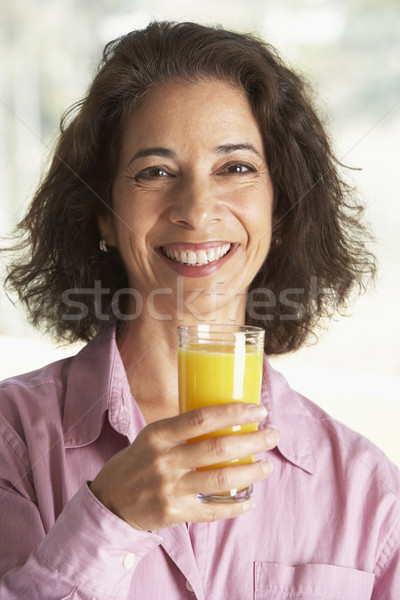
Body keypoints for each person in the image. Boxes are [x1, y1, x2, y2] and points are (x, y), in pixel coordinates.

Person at [0, 20, 399, 600]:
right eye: (155, 172)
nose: (196, 209)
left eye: (235, 168)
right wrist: (108, 519)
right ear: (103, 215)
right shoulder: (12, 442)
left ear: (280, 209)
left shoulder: (368, 493)